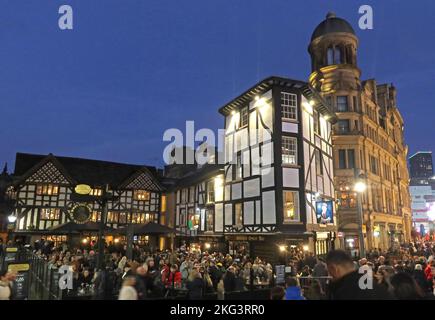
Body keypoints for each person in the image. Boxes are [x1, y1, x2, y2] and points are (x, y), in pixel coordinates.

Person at [326, 250, 392, 300]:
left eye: (329, 271)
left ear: (334, 268)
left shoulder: (343, 292)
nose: (329, 275)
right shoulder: (379, 288)